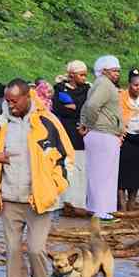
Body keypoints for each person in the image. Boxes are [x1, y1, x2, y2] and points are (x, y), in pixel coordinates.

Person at [0, 78, 73, 277]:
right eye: (7, 101)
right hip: (10, 198)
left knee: (35, 250)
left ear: (27, 97)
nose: (10, 106)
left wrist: (55, 188)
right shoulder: (1, 123)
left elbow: (66, 159)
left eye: (14, 101)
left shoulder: (47, 122)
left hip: (40, 201)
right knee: (12, 252)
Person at [81, 56, 122, 223]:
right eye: (114, 70)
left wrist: (85, 124)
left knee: (99, 173)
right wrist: (89, 124)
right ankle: (101, 210)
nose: (117, 74)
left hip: (100, 133)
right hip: (103, 133)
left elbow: (87, 105)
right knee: (104, 174)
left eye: (118, 71)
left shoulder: (99, 84)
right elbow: (91, 106)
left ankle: (98, 208)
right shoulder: (104, 84)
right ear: (104, 71)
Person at [51, 61, 91, 216]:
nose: (84, 77)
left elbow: (85, 108)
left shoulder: (88, 89)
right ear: (72, 75)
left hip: (82, 136)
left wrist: (74, 107)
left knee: (82, 169)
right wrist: (73, 108)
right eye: (81, 75)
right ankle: (64, 202)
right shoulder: (60, 88)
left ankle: (79, 203)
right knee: (66, 168)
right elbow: (58, 109)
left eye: (85, 75)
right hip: (65, 134)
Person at [117, 69, 139, 212]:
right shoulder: (121, 98)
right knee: (122, 174)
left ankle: (132, 203)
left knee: (137, 175)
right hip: (126, 140)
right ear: (129, 85)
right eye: (135, 85)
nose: (138, 88)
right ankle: (121, 204)